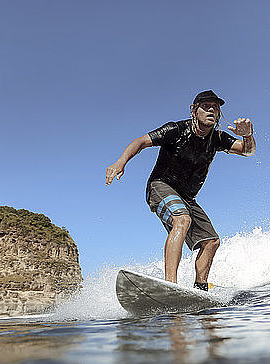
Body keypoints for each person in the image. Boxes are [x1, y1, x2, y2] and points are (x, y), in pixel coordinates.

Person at [105, 90, 256, 290]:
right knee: (182, 219)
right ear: (194, 111)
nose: (212, 109)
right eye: (206, 106)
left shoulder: (218, 138)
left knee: (211, 241)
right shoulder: (176, 129)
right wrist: (120, 162)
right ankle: (170, 285)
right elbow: (141, 142)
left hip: (188, 198)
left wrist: (247, 135)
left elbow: (248, 151)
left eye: (216, 107)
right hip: (160, 186)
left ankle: (200, 289)